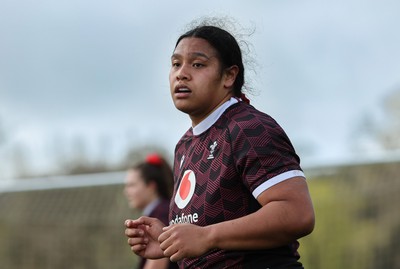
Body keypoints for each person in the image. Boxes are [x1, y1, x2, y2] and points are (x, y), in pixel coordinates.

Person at [125, 18, 315, 269]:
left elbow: (297, 213)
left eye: (197, 64)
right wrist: (168, 240)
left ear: (229, 76)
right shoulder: (184, 145)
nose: (182, 73)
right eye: (175, 64)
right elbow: (204, 232)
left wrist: (207, 236)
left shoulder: (248, 128)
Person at [124, 153, 179, 269]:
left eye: (132, 185)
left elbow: (158, 264)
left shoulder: (161, 215)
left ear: (151, 186)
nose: (126, 192)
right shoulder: (161, 211)